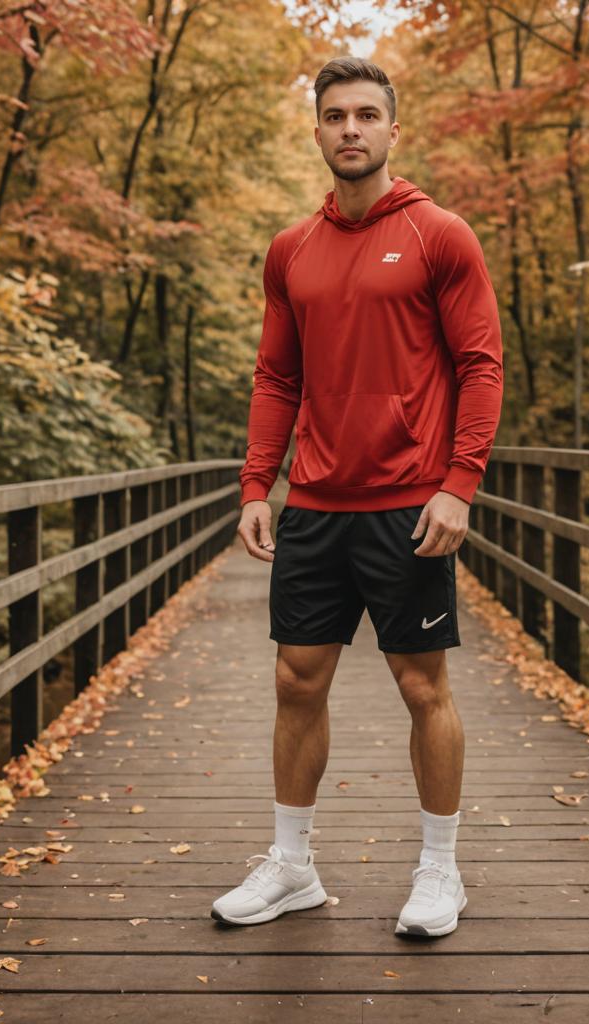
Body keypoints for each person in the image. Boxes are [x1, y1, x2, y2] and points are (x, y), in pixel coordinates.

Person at [212, 55, 504, 938]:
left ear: (392, 129)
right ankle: (292, 867)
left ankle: (440, 873)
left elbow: (481, 365)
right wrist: (257, 483)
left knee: (424, 688)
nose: (351, 129)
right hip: (317, 506)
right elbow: (276, 376)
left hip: (410, 504)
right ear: (317, 130)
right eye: (335, 115)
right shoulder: (290, 250)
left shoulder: (438, 234)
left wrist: (460, 484)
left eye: (367, 114)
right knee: (296, 680)